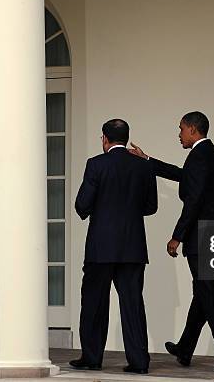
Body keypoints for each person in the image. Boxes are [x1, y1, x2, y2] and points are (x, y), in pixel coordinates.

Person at [129, 111, 214, 374]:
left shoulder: (200, 156)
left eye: (180, 129)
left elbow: (194, 200)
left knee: (208, 294)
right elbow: (183, 176)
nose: (178, 135)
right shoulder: (210, 154)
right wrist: (147, 161)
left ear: (192, 129)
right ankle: (186, 348)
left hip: (203, 235)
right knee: (204, 292)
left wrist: (177, 236)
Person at [71, 119, 158, 375]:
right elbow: (151, 207)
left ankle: (92, 357)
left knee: (95, 303)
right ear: (126, 138)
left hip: (101, 246)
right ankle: (139, 361)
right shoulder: (143, 166)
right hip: (132, 247)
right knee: (132, 304)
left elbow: (82, 205)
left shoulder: (96, 164)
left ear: (105, 139)